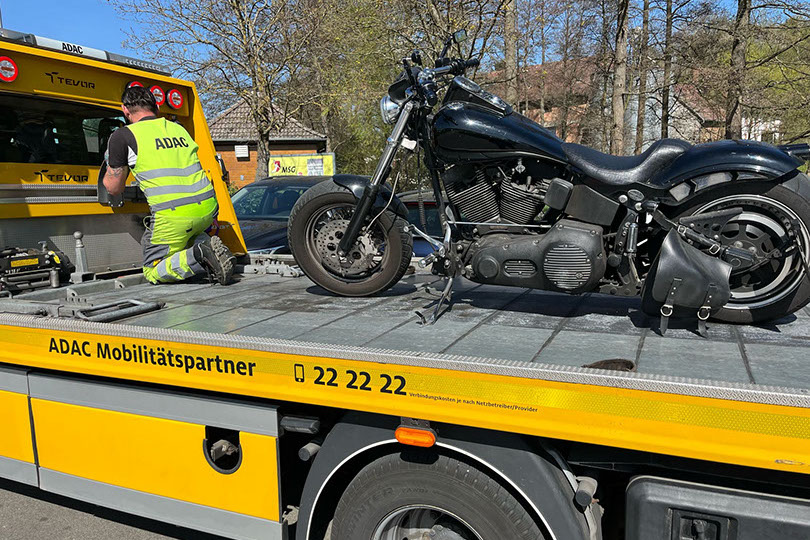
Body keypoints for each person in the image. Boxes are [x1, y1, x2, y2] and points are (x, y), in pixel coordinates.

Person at [102, 86, 233, 285]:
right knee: (187, 237)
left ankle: (200, 254)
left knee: (153, 269)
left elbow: (113, 188)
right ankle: (210, 249)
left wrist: (110, 163)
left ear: (125, 110)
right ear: (156, 107)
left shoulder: (123, 136)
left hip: (173, 215)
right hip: (208, 209)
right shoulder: (178, 129)